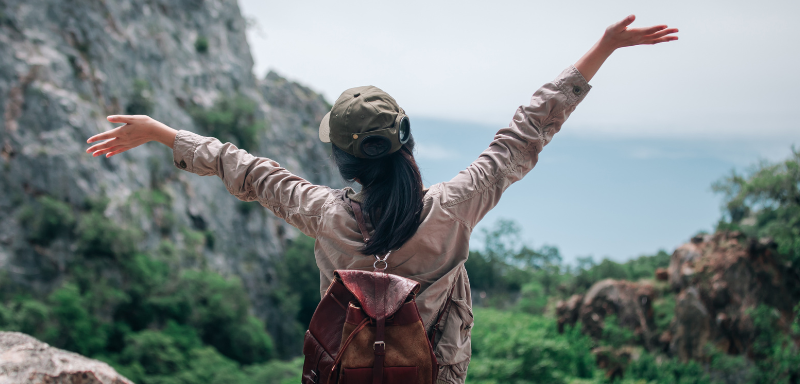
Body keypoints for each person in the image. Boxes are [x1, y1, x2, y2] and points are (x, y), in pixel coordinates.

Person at [86, 15, 677, 384]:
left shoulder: (323, 214)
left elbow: (246, 170)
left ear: (343, 160)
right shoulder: (455, 207)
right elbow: (524, 133)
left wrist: (164, 133)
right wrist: (601, 48)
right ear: (408, 142)